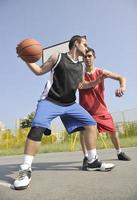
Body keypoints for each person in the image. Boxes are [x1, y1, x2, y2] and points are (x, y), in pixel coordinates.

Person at [14, 36, 114, 190]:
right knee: (37, 127)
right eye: (85, 44)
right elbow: (39, 71)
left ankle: (92, 161)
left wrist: (99, 79)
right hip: (50, 101)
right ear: (76, 43)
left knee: (91, 124)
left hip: (70, 104)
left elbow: (82, 85)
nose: (87, 48)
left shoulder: (80, 66)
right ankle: (25, 169)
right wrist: (24, 57)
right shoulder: (57, 57)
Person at [79, 47, 131, 170]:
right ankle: (86, 156)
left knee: (113, 131)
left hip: (100, 109)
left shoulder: (101, 71)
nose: (87, 58)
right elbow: (82, 86)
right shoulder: (80, 74)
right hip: (85, 110)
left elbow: (122, 77)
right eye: (85, 57)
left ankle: (119, 152)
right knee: (83, 133)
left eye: (90, 56)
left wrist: (122, 87)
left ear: (94, 57)